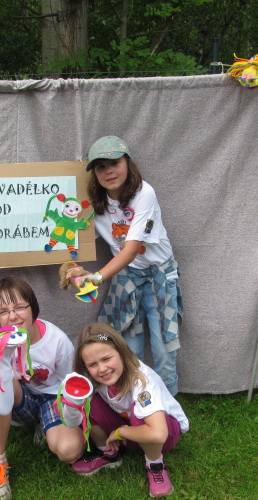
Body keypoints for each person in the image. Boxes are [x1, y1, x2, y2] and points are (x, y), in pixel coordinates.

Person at [75, 136, 182, 396]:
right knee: (128, 348)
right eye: (101, 166)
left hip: (159, 276)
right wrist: (72, 267)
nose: (109, 171)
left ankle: (168, 409)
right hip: (128, 278)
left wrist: (96, 278)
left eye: (115, 163)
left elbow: (131, 249)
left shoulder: (144, 193)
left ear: (128, 163)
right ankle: (136, 402)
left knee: (164, 349)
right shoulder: (95, 201)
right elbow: (76, 238)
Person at [0, 276, 85, 500]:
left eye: (20, 307)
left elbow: (71, 382)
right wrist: (2, 354)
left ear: (32, 308)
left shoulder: (56, 339)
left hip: (53, 398)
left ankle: (45, 425)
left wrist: (72, 416)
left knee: (70, 451)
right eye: (3, 311)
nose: (13, 316)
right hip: (20, 398)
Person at [71, 323, 189, 498]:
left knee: (140, 413)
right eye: (92, 364)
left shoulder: (142, 382)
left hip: (165, 434)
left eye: (106, 359)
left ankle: (155, 464)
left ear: (122, 352)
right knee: (85, 400)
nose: (102, 369)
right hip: (131, 426)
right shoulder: (92, 377)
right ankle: (108, 454)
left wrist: (121, 432)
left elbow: (158, 434)